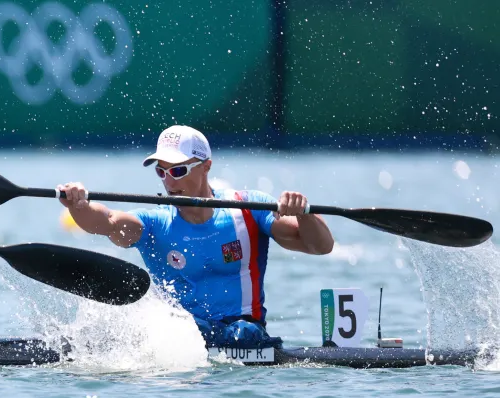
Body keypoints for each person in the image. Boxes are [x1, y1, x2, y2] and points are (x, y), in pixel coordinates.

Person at [56, 125, 335, 348]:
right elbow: (107, 222)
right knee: (187, 329)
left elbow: (320, 246)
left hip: (245, 333)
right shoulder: (155, 223)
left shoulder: (248, 210)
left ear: (206, 166)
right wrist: (79, 205)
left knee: (244, 333)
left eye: (178, 170)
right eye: (161, 171)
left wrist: (304, 213)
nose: (169, 181)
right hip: (182, 338)